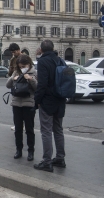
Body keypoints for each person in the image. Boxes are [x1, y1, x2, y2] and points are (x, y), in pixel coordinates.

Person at [33, 40, 66, 172]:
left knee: (46, 131)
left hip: (47, 101)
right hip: (60, 99)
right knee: (58, 130)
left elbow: (42, 84)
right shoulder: (60, 60)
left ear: (41, 49)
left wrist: (37, 100)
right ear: (53, 48)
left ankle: (47, 161)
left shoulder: (43, 62)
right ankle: (60, 158)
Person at [6, 54, 37, 161]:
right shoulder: (16, 72)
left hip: (29, 104)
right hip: (16, 104)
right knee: (18, 129)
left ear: (29, 64)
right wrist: (12, 78)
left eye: (25, 66)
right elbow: (8, 85)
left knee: (29, 129)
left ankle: (31, 151)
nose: (23, 68)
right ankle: (18, 150)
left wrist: (31, 79)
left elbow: (37, 87)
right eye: (21, 66)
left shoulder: (34, 72)